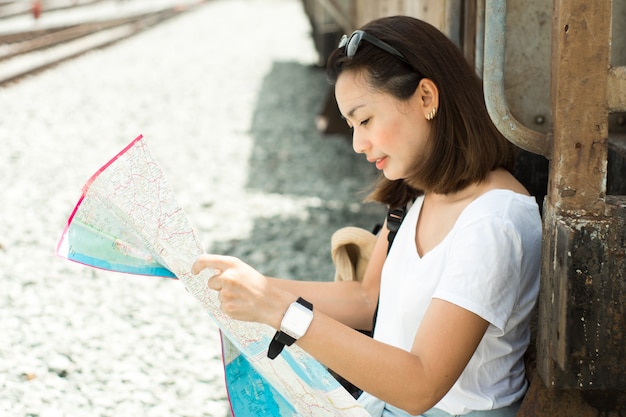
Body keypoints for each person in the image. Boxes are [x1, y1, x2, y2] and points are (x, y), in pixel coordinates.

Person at [192, 15, 542, 417]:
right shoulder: (421, 193)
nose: (358, 143)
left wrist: (279, 309)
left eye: (365, 120)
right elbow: (366, 299)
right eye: (352, 125)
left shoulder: (492, 222)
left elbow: (422, 385)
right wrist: (245, 286)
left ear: (426, 98)